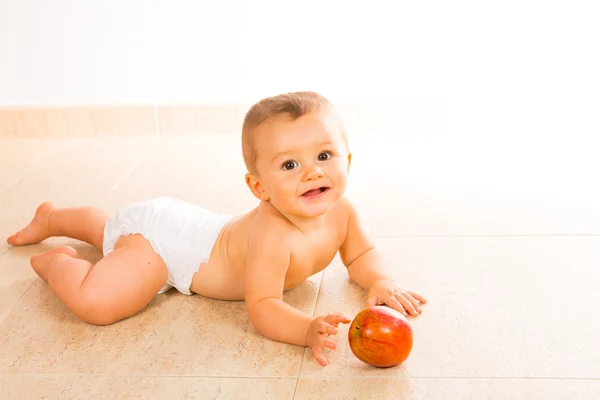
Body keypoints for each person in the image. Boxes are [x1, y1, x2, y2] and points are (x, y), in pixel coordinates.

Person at [6, 91, 426, 366]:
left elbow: (360, 255)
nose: (311, 173)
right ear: (259, 187)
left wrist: (381, 280)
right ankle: (57, 265)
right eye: (290, 164)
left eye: (324, 154)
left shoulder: (343, 211)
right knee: (100, 301)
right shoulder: (272, 233)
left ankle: (54, 217)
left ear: (347, 162)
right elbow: (261, 305)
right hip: (167, 251)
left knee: (117, 232)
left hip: (183, 226)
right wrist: (304, 328)